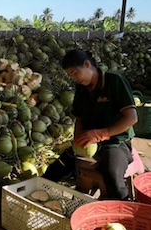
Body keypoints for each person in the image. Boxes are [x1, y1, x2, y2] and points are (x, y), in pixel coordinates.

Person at [43, 49, 137, 200]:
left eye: (75, 73)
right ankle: (36, 194)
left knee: (112, 175)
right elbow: (79, 119)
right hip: (89, 140)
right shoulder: (81, 90)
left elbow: (131, 118)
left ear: (87, 65)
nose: (74, 78)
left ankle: (124, 210)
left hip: (115, 141)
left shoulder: (114, 81)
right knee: (57, 167)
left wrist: (102, 134)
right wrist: (77, 139)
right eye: (70, 75)